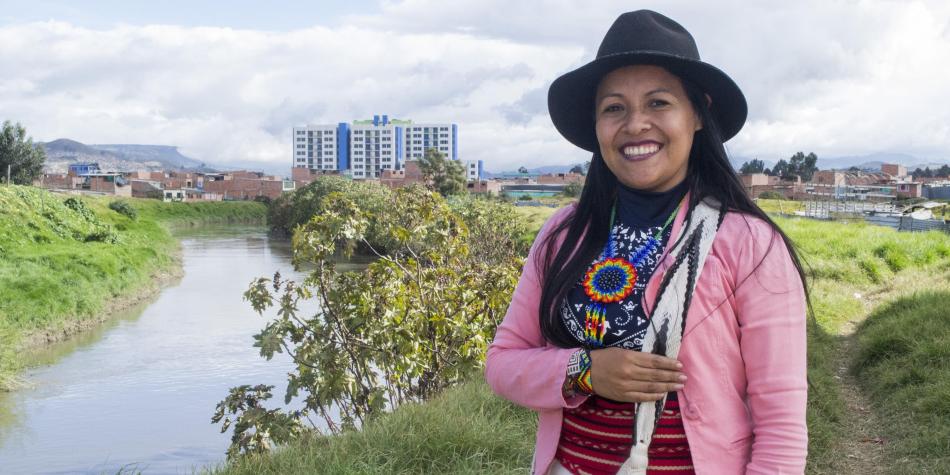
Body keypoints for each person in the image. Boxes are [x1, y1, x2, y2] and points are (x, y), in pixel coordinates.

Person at [485, 10, 808, 475]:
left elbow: (781, 425)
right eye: (614, 107)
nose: (635, 124)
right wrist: (586, 370)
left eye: (659, 103)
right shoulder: (562, 236)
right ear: (597, 127)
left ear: (698, 114)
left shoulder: (751, 246)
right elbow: (503, 365)